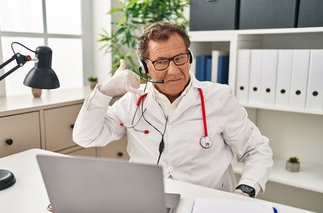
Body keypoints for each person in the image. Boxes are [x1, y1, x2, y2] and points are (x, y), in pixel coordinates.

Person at [73, 21, 273, 198]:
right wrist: (105, 91)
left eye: (179, 58)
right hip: (148, 201)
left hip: (209, 204)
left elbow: (256, 149)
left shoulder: (218, 98)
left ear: (189, 57)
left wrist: (246, 190)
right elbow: (85, 137)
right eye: (161, 62)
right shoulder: (132, 101)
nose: (174, 70)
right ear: (145, 67)